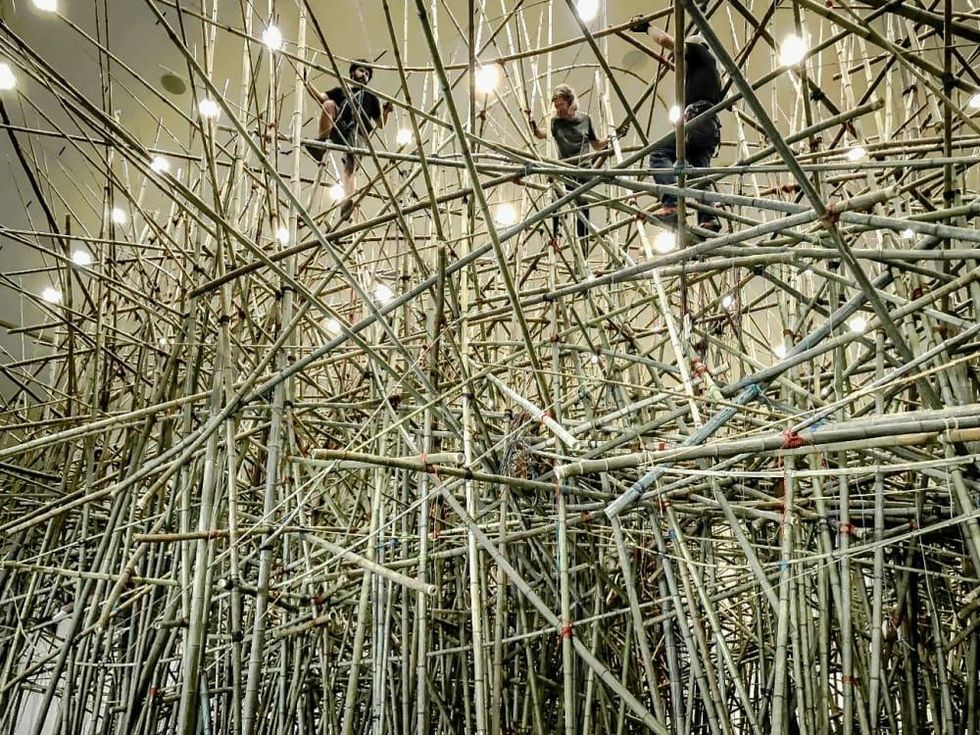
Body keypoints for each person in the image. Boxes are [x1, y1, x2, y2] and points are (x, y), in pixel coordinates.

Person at [632, 19, 722, 231]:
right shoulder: (713, 73)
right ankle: (708, 218)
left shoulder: (698, 52)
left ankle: (671, 202)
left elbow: (666, 40)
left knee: (659, 153)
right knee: (700, 172)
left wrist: (647, 28)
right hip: (711, 129)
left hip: (697, 119)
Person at [527, 85, 619, 257]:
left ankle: (583, 252)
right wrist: (533, 125)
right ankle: (556, 236)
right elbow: (541, 134)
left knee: (583, 211)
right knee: (556, 201)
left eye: (561, 104)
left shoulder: (585, 120)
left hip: (583, 171)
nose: (558, 108)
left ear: (570, 102)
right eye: (555, 105)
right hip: (565, 169)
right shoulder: (555, 122)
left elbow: (597, 144)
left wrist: (614, 137)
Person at [304, 59, 393, 204]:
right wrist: (306, 81)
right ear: (352, 72)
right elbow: (321, 98)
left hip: (359, 132)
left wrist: (386, 112)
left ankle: (347, 200)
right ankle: (321, 144)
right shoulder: (341, 91)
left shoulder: (371, 97)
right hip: (341, 126)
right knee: (328, 105)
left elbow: (380, 124)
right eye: (361, 71)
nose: (364, 75)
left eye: (367, 74)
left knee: (350, 167)